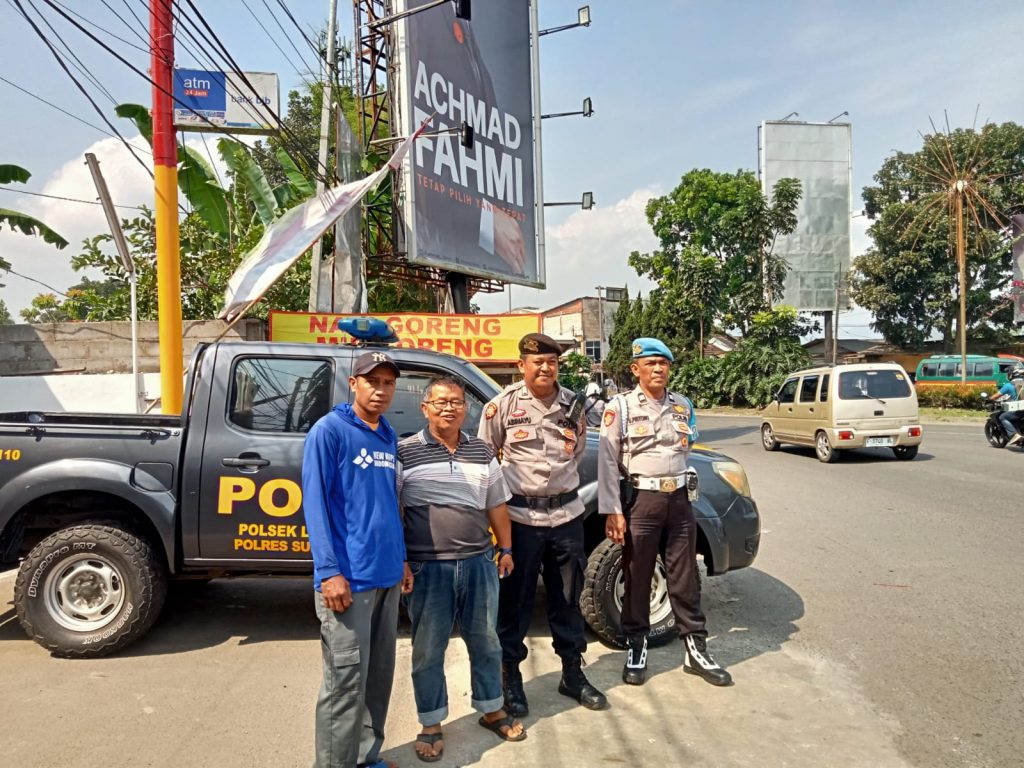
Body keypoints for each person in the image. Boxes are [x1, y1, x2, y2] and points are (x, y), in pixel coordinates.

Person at [398, 374, 526, 763]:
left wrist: (505, 548)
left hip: (478, 562)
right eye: (440, 402)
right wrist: (400, 560)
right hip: (427, 567)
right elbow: (393, 511)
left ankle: (491, 709)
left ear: (465, 407)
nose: (449, 407)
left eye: (455, 401)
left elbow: (496, 504)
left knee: (486, 641)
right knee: (428, 648)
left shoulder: (482, 451)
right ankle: (432, 723)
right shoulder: (404, 453)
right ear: (425, 408)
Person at [478, 333, 607, 716]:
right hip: (519, 519)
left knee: (568, 599)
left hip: (567, 517)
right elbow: (486, 462)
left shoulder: (574, 406)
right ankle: (511, 677)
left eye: (551, 362)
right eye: (537, 362)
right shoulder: (501, 407)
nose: (545, 368)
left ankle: (572, 673)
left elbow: (577, 452)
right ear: (522, 365)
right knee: (515, 602)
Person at [302, 350, 414, 768]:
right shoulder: (329, 431)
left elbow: (387, 505)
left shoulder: (387, 434)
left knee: (378, 677)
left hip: (385, 576)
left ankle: (366, 757)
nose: (380, 390)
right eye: (372, 381)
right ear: (354, 384)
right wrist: (329, 572)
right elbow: (314, 506)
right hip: (349, 581)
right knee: (345, 682)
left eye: (388, 383)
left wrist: (401, 560)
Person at [598, 338, 732, 688]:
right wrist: (613, 510)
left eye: (664, 364)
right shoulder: (622, 407)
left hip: (679, 502)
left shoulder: (683, 405)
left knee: (685, 576)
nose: (658, 369)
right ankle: (637, 645)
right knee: (638, 576)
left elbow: (688, 446)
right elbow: (607, 462)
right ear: (635, 369)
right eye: (651, 363)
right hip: (641, 501)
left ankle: (695, 648)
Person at [992, 373, 1023, 446]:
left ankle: (1014, 435)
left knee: (1003, 417)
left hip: (1020, 409)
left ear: (1010, 376)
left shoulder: (1009, 385)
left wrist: (989, 399)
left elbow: (996, 396)